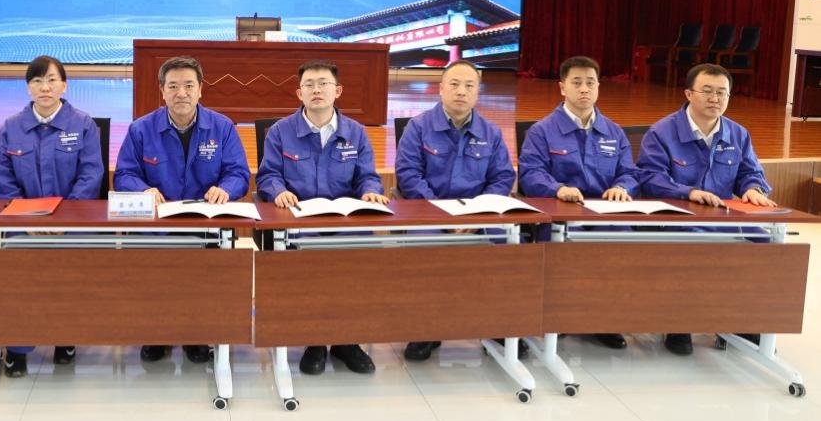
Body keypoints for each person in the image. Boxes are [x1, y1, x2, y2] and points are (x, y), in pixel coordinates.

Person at [114, 55, 250, 364]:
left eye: (189, 85)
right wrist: (143, 190)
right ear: (162, 91)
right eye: (173, 86)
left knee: (203, 275)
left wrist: (225, 189)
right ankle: (157, 332)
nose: (181, 93)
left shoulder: (222, 127)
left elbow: (239, 174)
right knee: (156, 274)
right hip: (156, 226)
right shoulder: (141, 129)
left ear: (201, 89)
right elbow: (124, 174)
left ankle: (196, 333)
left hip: (205, 225)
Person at [256, 60, 389, 375]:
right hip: (299, 222)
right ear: (299, 93)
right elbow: (267, 176)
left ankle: (347, 341)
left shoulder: (356, 132)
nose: (316, 90)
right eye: (309, 84)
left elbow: (367, 177)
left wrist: (371, 191)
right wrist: (278, 191)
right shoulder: (280, 132)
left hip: (345, 223)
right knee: (307, 265)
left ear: (337, 90)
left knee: (358, 263)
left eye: (323, 83)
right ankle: (314, 339)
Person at [638, 62, 775, 356]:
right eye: (707, 91)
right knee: (697, 246)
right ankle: (680, 322)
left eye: (722, 93)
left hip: (723, 217)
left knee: (768, 244)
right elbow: (650, 178)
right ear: (689, 94)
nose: (715, 99)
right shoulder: (662, 132)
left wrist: (753, 188)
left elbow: (751, 172)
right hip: (677, 218)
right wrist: (688, 192)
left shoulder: (738, 134)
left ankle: (740, 320)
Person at [395, 59, 519, 363]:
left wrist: (478, 213)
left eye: (469, 86)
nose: (461, 91)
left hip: (479, 214)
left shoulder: (490, 132)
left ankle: (498, 325)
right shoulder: (418, 127)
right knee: (427, 246)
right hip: (430, 212)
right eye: (454, 84)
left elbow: (503, 177)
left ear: (477, 92)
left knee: (510, 246)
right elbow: (408, 175)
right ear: (440, 89)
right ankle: (427, 329)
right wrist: (442, 215)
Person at [0, 55, 104, 377]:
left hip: (72, 223)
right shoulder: (10, 128)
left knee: (69, 276)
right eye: (37, 81)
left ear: (64, 85)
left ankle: (65, 338)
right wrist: (29, 220)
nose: (45, 87)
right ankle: (17, 348)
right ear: (28, 87)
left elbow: (91, 175)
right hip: (23, 224)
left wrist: (61, 219)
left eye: (52, 80)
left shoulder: (83, 124)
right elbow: (3, 181)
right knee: (18, 277)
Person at [517, 55, 638, 350]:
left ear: (598, 87)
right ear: (562, 88)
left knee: (621, 243)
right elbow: (530, 175)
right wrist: (557, 189)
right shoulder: (542, 131)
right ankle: (560, 316)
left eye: (590, 83)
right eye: (577, 83)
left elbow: (631, 173)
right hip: (561, 216)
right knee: (563, 245)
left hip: (605, 216)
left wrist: (622, 187)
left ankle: (602, 320)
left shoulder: (614, 132)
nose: (584, 89)